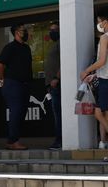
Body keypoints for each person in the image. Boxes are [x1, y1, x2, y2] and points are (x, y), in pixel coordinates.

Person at [0, 24, 32, 150]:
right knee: (16, 112)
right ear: (16, 32)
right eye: (23, 30)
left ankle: (13, 140)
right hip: (12, 84)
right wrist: (1, 82)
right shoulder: (10, 47)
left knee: (21, 113)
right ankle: (13, 141)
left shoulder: (26, 48)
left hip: (24, 84)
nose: (26, 32)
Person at [80, 12, 108, 146]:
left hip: (105, 81)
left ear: (105, 22)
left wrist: (87, 70)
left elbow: (102, 61)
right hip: (103, 77)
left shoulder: (105, 38)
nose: (98, 25)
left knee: (98, 113)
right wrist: (95, 74)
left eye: (99, 21)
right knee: (103, 113)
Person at [44, 21, 61, 150]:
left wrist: (56, 77)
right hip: (52, 86)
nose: (52, 32)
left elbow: (64, 60)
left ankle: (59, 141)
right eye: (51, 30)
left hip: (58, 84)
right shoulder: (54, 44)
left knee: (59, 114)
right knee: (56, 113)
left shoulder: (61, 43)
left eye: (54, 29)